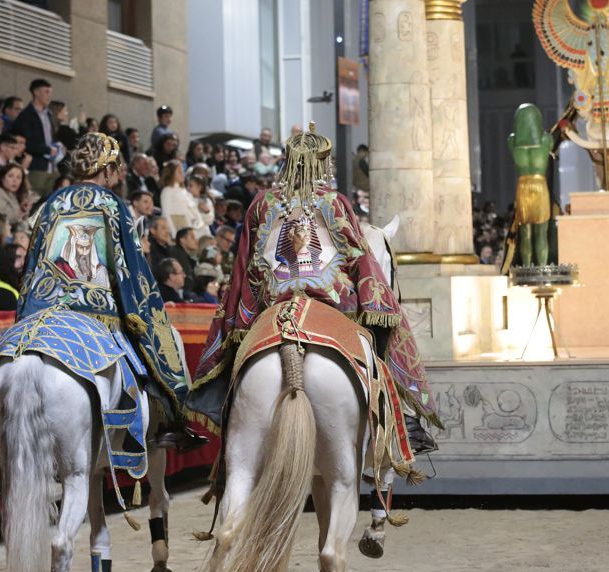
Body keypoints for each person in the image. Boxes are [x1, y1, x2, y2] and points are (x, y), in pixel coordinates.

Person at [187, 123, 439, 454]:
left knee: (240, 343)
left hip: (272, 302)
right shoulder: (335, 202)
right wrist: (376, 296)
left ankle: (219, 405)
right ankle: (398, 415)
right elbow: (356, 255)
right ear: (323, 164)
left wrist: (240, 309)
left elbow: (244, 264)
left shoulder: (261, 203)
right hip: (331, 302)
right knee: (381, 330)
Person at [19, 131, 205, 450]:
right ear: (104, 168)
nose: (118, 175)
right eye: (115, 168)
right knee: (157, 346)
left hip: (44, 311)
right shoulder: (112, 204)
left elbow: (31, 262)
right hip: (97, 312)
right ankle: (169, 420)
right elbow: (130, 269)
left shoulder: (52, 203)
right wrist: (144, 309)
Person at [11, 78, 61, 196]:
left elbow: (51, 137)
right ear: (36, 92)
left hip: (52, 165)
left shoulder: (49, 114)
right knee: (36, 198)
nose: (49, 96)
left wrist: (58, 146)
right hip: (36, 166)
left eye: (50, 92)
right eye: (46, 92)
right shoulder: (26, 116)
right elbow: (25, 143)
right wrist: (47, 150)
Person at [160, 162, 211, 239]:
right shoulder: (167, 191)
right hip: (183, 229)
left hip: (197, 227)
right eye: (179, 172)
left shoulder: (185, 191)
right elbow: (166, 214)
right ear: (171, 173)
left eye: (182, 171)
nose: (182, 174)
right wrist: (175, 235)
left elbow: (194, 210)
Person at [0, 162, 29, 228]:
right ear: (2, 178)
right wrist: (19, 213)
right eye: (10, 176)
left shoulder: (13, 195)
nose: (15, 180)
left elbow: (19, 220)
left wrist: (24, 211)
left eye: (18, 177)